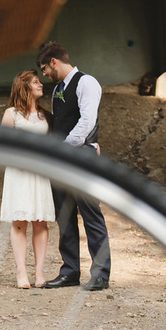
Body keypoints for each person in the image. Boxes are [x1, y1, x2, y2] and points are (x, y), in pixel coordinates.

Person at [36, 41, 111, 291]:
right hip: (60, 161)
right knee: (65, 216)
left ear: (54, 61)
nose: (43, 74)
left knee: (91, 215)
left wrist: (65, 147)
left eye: (44, 68)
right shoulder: (59, 87)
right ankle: (70, 271)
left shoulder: (86, 82)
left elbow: (87, 121)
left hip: (80, 158)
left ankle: (100, 274)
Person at [0, 70, 55, 289]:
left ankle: (39, 272)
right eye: (36, 82)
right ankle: (21, 271)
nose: (40, 85)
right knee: (20, 221)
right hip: (19, 172)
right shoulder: (11, 114)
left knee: (40, 221)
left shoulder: (44, 116)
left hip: (40, 171)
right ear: (24, 87)